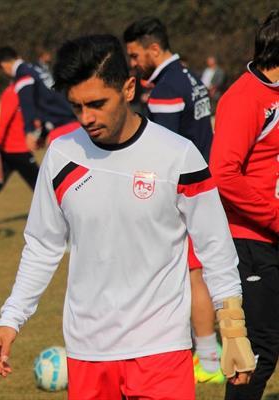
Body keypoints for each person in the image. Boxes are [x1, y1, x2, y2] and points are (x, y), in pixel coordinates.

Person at [0, 34, 255, 399]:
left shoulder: (178, 155)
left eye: (97, 103)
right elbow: (42, 246)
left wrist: (234, 329)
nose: (87, 118)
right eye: (76, 107)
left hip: (162, 350)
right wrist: (11, 318)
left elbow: (215, 247)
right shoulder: (61, 155)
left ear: (129, 88)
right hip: (88, 352)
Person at [123, 16, 223, 383]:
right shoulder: (189, 78)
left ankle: (210, 360)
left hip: (184, 194)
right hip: (202, 186)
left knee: (194, 275)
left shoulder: (166, 88)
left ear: (153, 49)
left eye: (135, 55)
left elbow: (160, 151)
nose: (132, 63)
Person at [210, 10, 279, 399]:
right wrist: (274, 216)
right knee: (259, 352)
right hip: (251, 241)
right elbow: (223, 174)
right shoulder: (244, 97)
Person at [0, 46, 77, 151]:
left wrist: (29, 131)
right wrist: (43, 133)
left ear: (3, 65)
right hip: (71, 117)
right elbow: (46, 99)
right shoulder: (34, 68)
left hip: (63, 124)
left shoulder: (22, 74)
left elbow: (27, 103)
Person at [0, 83, 40, 210]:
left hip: (17, 150)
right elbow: (3, 119)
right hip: (14, 151)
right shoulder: (12, 92)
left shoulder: (28, 92)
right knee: (42, 187)